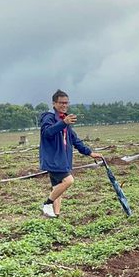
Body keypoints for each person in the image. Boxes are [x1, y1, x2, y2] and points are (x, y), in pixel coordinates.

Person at [39, 89, 102, 218]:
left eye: (66, 103)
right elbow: (47, 133)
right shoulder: (49, 117)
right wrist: (63, 123)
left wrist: (90, 153)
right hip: (53, 159)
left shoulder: (64, 119)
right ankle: (46, 204)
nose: (64, 105)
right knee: (68, 181)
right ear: (54, 103)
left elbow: (74, 140)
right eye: (61, 102)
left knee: (57, 189)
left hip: (63, 159)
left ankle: (55, 216)